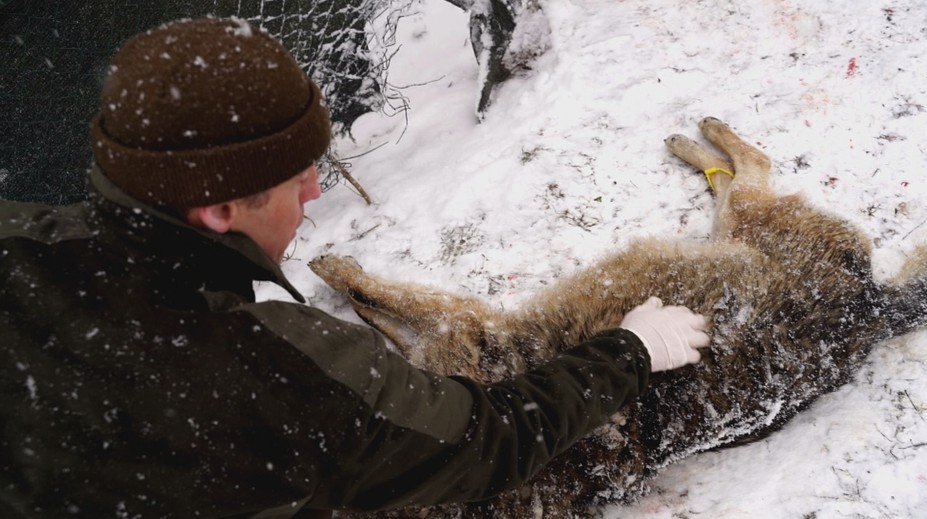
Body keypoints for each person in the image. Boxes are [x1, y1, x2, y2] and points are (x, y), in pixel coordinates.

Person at [0, 17, 709, 518]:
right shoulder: (278, 364)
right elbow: (487, 440)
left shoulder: (17, 240)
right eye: (295, 180)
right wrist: (630, 349)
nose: (314, 192)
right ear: (218, 212)